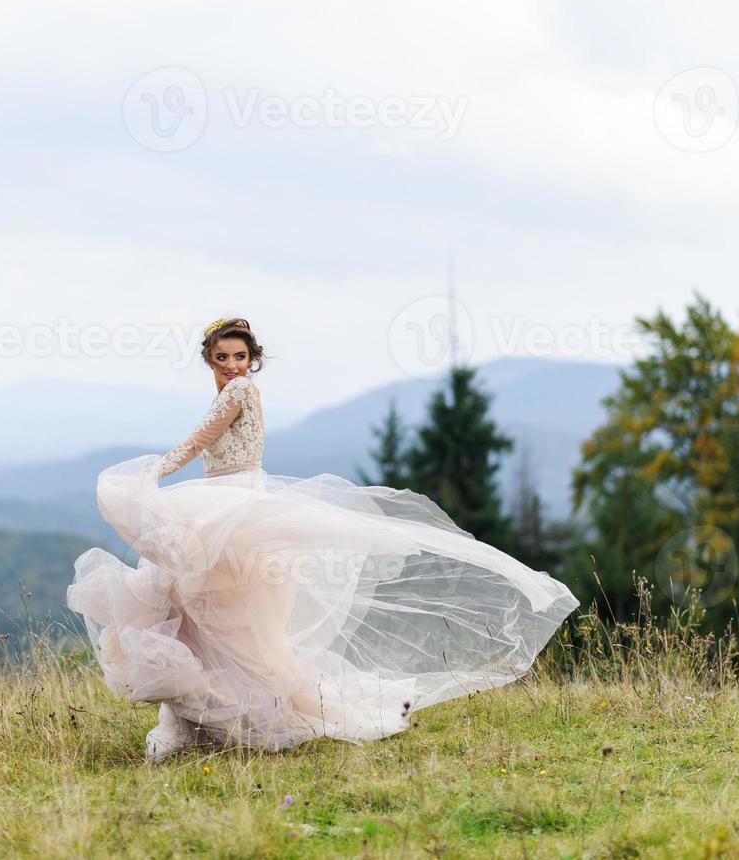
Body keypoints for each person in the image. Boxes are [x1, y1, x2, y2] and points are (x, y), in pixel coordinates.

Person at [65, 317, 579, 761]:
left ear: (253, 360)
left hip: (236, 509)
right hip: (223, 505)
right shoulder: (225, 390)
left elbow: (202, 438)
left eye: (240, 356)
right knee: (196, 612)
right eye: (222, 357)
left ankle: (306, 713)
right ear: (209, 359)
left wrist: (153, 472)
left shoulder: (240, 391)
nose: (232, 365)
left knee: (234, 624)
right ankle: (197, 723)